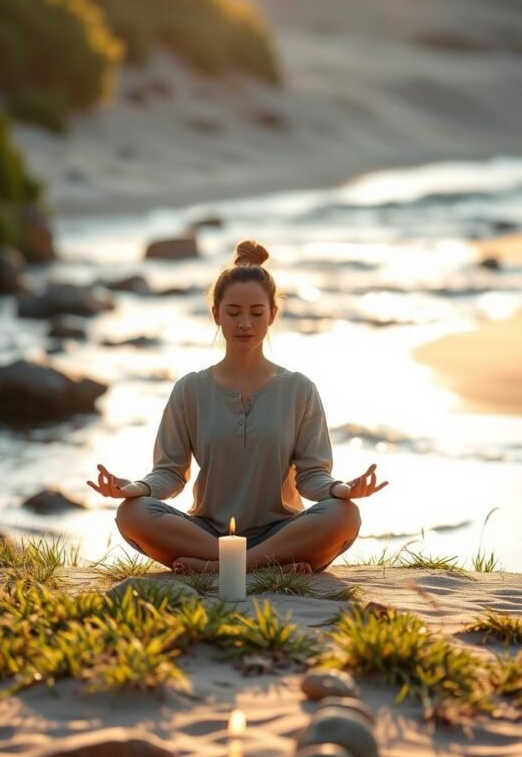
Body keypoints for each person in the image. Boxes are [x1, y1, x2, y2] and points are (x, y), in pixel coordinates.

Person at [87, 238, 388, 574]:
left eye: (256, 312)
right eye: (233, 312)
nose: (245, 323)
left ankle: (224, 567)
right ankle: (262, 566)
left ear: (273, 314)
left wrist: (342, 489)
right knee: (132, 513)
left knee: (344, 514)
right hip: (208, 533)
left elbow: (312, 475)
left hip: (282, 532)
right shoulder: (190, 390)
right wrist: (135, 488)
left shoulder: (299, 389)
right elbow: (170, 472)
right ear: (216, 314)